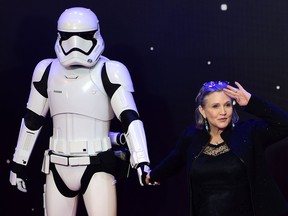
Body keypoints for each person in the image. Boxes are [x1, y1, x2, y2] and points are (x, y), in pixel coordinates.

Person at [9, 7, 151, 216]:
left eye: (83, 36)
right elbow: (32, 120)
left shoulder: (110, 70)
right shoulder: (46, 70)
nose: (75, 44)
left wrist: (142, 161)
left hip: (96, 165)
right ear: (60, 35)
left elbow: (130, 118)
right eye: (68, 36)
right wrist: (18, 163)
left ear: (95, 34)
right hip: (56, 164)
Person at [147, 81, 288, 216]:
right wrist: (153, 175)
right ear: (202, 111)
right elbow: (175, 159)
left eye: (227, 105)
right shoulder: (191, 137)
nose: (223, 112)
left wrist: (251, 102)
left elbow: (284, 125)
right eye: (215, 106)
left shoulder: (249, 132)